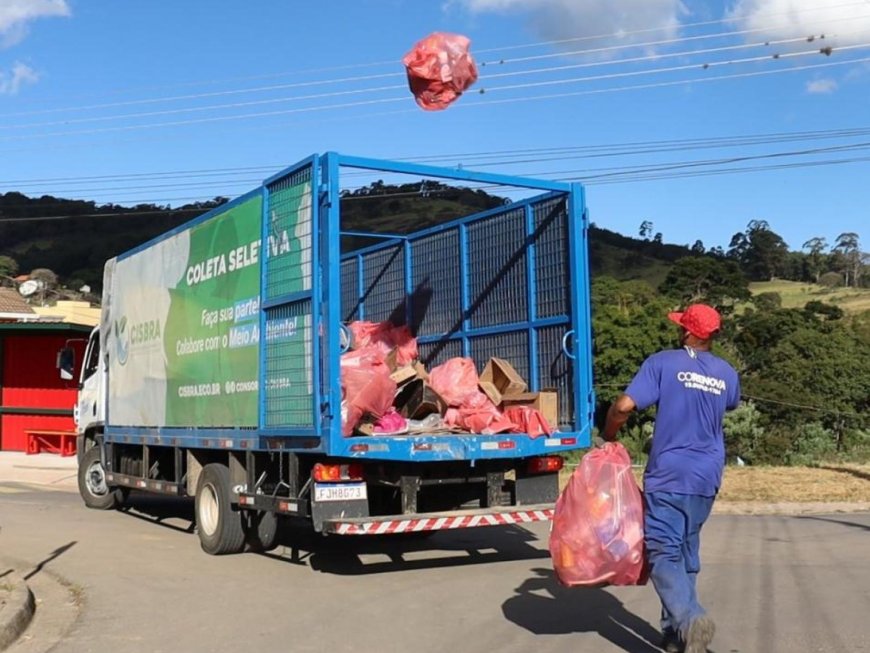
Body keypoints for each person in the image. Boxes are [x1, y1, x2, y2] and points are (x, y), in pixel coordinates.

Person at [602, 303, 740, 653]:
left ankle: (691, 619)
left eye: (682, 327)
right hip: (707, 476)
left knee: (663, 552)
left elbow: (623, 407)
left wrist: (610, 434)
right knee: (686, 551)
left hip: (669, 473)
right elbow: (729, 404)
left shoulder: (662, 362)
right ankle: (675, 635)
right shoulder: (726, 373)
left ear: (689, 332)